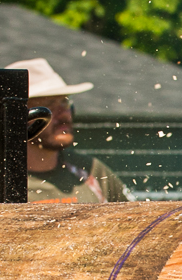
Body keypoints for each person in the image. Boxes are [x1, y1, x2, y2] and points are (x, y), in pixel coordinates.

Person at [7, 58, 128, 203]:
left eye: (64, 102)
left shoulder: (92, 171)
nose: (64, 114)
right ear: (16, 116)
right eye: (48, 106)